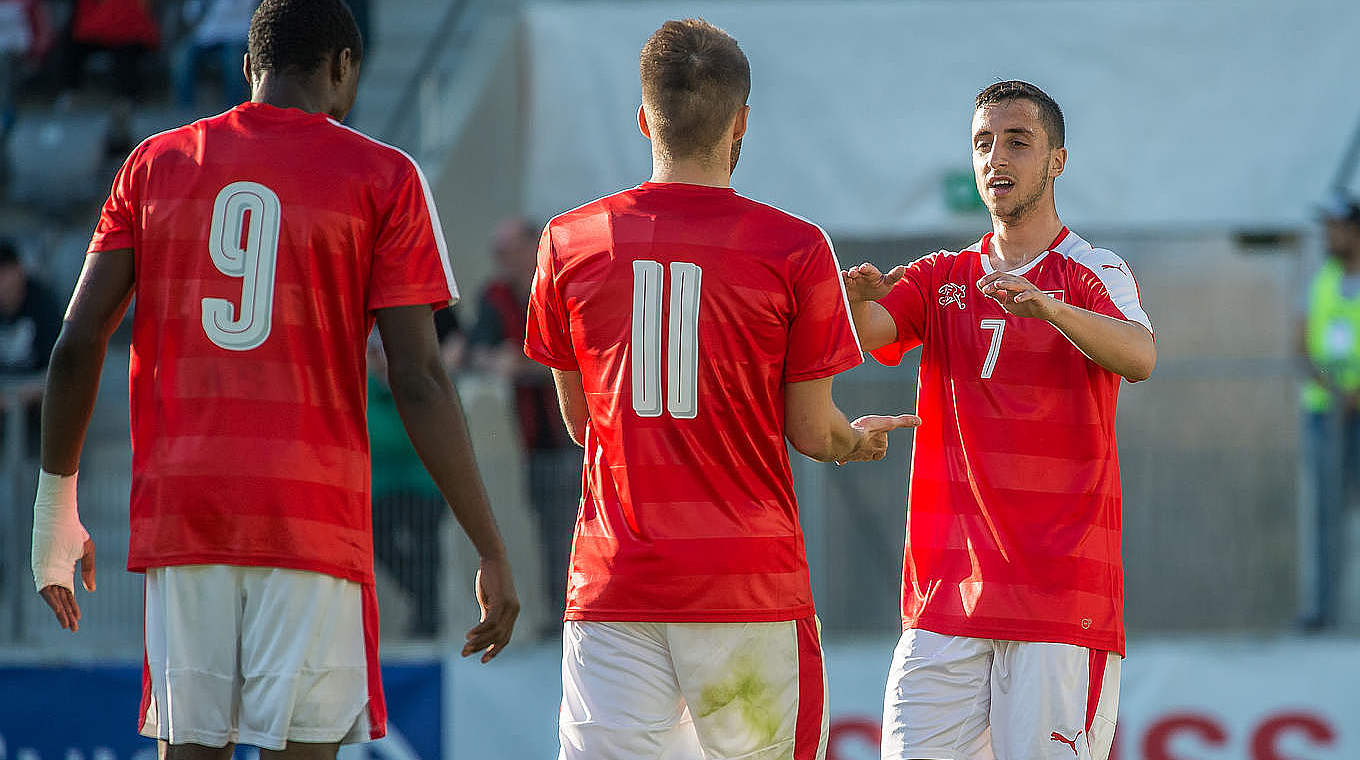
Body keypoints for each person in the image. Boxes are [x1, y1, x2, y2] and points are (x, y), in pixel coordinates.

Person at [29, 1, 518, 757]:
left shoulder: (155, 163)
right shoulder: (381, 174)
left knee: (190, 750)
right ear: (342, 68)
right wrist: (491, 544)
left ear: (252, 65)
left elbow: (75, 341)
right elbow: (418, 378)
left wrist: (53, 513)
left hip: (186, 513)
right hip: (307, 515)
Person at [525, 19, 919, 760]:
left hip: (614, 589)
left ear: (645, 118)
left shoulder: (568, 241)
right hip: (746, 589)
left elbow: (584, 424)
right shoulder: (794, 249)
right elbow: (812, 430)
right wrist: (853, 441)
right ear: (741, 122)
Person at [843, 81, 1155, 760]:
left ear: (1057, 161)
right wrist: (852, 298)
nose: (996, 157)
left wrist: (1051, 310)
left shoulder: (1092, 270)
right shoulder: (942, 275)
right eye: (983, 142)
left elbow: (1140, 355)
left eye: (1018, 140)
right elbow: (871, 329)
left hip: (1058, 603)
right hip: (944, 604)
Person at [470, 217, 578, 631]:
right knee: (547, 528)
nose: (504, 260)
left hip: (575, 431)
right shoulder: (497, 296)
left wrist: (522, 363)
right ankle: (559, 611)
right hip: (535, 438)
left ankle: (574, 609)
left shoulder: (563, 282)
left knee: (571, 526)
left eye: (511, 250)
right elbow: (481, 348)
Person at [1295, 195, 1360, 631]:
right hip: (1325, 416)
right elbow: (1301, 341)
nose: (1328, 236)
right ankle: (1325, 612)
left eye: (1336, 227)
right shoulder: (1321, 280)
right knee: (1326, 516)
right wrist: (1328, 382)